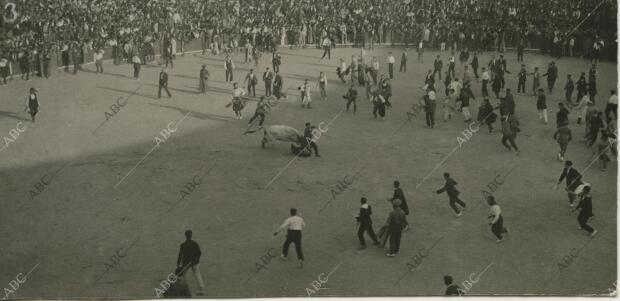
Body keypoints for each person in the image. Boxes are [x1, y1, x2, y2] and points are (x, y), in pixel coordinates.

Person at [176, 230, 206, 295]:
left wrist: (178, 264)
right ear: (191, 235)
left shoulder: (183, 245)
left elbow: (180, 255)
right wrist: (196, 259)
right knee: (197, 274)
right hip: (195, 262)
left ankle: (184, 290)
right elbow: (199, 252)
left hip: (186, 263)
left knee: (184, 275)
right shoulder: (195, 243)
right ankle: (202, 289)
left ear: (185, 236)